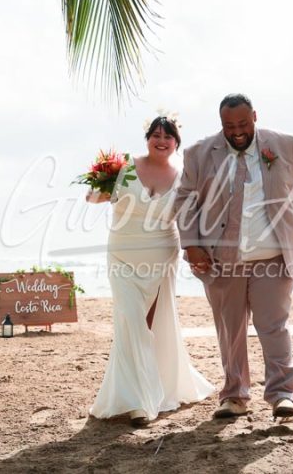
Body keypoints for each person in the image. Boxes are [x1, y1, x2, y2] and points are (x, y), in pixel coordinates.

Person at [174, 93, 293, 419]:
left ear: (254, 117)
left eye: (243, 124)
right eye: (229, 126)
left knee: (273, 326)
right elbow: (185, 200)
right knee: (230, 329)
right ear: (221, 124)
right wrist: (191, 244)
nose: (237, 131)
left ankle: (282, 394)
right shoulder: (199, 154)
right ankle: (234, 396)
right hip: (221, 258)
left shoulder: (283, 144)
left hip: (273, 255)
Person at [88, 116, 214, 427]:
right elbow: (92, 197)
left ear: (176, 142)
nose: (161, 140)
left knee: (148, 324)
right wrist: (100, 191)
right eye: (155, 134)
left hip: (161, 256)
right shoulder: (123, 167)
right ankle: (139, 401)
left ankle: (143, 396)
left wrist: (198, 250)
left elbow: (190, 217)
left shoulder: (184, 176)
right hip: (122, 254)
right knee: (130, 319)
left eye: (167, 136)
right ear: (147, 138)